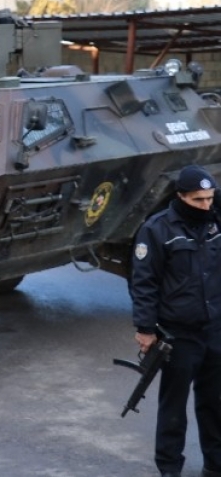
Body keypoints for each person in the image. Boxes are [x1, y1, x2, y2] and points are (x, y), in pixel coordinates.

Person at [129, 164, 221, 477]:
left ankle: (215, 464)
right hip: (178, 334)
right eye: (198, 200)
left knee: (215, 403)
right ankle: (170, 468)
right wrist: (145, 328)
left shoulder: (216, 223)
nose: (206, 205)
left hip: (215, 330)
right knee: (174, 407)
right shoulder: (157, 229)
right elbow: (144, 282)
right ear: (181, 197)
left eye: (210, 198)